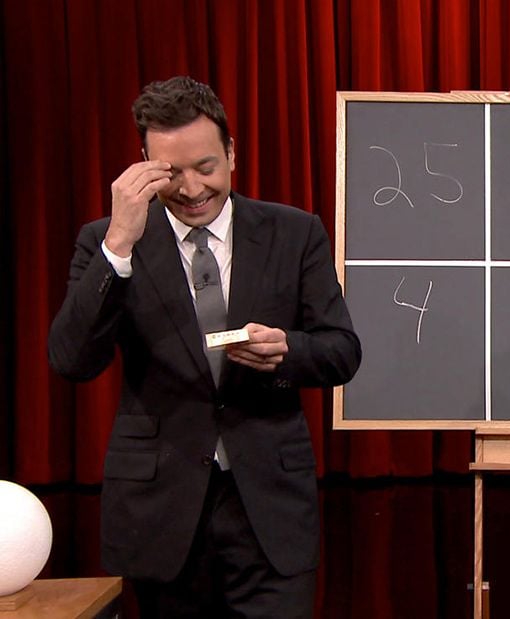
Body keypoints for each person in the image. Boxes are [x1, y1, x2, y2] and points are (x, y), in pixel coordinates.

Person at [48, 76, 361, 617]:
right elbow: (71, 359)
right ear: (144, 165)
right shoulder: (107, 241)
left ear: (232, 154)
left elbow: (342, 350)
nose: (192, 189)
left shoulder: (294, 232)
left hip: (269, 510)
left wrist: (287, 351)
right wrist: (119, 244)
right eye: (172, 172)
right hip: (160, 514)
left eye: (206, 167)